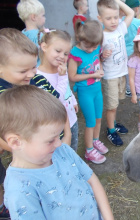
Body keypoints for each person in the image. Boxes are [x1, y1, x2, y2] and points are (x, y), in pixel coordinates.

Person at [0, 85, 114, 220]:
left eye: (59, 136)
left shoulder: (62, 151)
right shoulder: (19, 189)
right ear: (15, 142)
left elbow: (93, 181)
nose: (59, 143)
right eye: (50, 140)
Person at [0, 28, 71, 219]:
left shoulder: (36, 79)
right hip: (25, 153)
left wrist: (66, 133)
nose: (31, 74)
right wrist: (20, 150)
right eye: (23, 70)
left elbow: (55, 104)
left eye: (34, 66)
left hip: (45, 145)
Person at [68, 20, 109, 164]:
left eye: (95, 46)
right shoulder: (75, 53)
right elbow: (72, 76)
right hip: (85, 92)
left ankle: (95, 140)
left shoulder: (95, 47)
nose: (91, 50)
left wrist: (102, 66)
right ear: (80, 39)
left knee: (98, 118)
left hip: (97, 89)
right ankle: (89, 150)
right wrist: (93, 75)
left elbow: (98, 61)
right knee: (90, 122)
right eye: (87, 46)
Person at [97, 0, 134, 146]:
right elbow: (96, 57)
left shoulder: (120, 28)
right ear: (100, 19)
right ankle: (111, 130)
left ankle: (113, 122)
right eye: (108, 18)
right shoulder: (100, 36)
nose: (113, 21)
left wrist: (116, 2)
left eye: (116, 17)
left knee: (116, 102)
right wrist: (102, 56)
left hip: (121, 73)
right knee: (111, 106)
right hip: (109, 76)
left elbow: (131, 13)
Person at [37, 29, 79, 152]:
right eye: (58, 51)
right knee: (62, 154)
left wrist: (73, 100)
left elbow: (66, 88)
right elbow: (55, 101)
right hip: (58, 127)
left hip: (72, 120)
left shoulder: (59, 70)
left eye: (66, 54)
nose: (62, 56)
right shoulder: (39, 77)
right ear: (44, 47)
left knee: (72, 151)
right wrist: (62, 77)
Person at [17, 0, 46, 66]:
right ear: (34, 17)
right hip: (38, 71)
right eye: (43, 15)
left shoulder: (21, 35)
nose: (45, 18)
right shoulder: (40, 37)